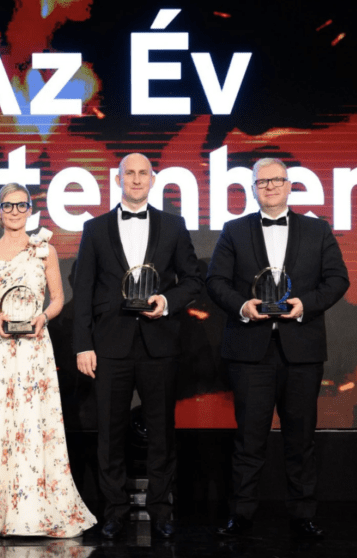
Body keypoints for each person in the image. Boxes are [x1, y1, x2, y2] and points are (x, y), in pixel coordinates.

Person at [207, 158, 349, 539]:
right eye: (262, 182)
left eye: (276, 180)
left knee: (300, 440)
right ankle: (241, 515)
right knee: (248, 440)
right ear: (253, 189)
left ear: (289, 186)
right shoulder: (234, 230)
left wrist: (307, 305)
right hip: (249, 351)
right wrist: (242, 306)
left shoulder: (318, 230)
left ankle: (303, 516)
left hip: (301, 352)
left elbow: (338, 279)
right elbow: (215, 281)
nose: (269, 187)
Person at [72, 153, 202, 540]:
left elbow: (192, 280)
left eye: (143, 173)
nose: (136, 179)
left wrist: (167, 301)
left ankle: (161, 510)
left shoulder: (174, 226)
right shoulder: (95, 228)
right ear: (118, 179)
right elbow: (83, 291)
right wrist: (83, 344)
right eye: (129, 173)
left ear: (153, 179)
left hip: (159, 342)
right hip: (109, 344)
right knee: (110, 432)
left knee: (161, 431)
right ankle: (114, 511)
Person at [0, 183, 97, 537]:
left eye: (22, 205)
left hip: (34, 348)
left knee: (34, 424)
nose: (15, 211)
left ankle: (32, 510)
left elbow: (58, 298)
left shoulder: (44, 250)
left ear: (30, 210)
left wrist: (43, 318)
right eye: (8, 205)